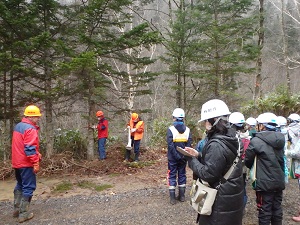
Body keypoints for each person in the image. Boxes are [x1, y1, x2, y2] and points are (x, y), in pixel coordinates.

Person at [184, 99, 244, 225]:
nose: (205, 123)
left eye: (206, 120)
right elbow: (223, 161)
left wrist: (191, 159)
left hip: (219, 202)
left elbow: (208, 174)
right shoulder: (232, 137)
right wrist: (199, 155)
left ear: (214, 120)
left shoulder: (216, 144)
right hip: (231, 196)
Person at [245, 112, 285, 225]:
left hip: (264, 182)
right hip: (279, 179)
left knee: (264, 210)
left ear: (262, 126)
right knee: (277, 207)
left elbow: (248, 160)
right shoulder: (281, 139)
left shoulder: (256, 141)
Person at [11, 105, 42, 223]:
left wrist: (36, 153)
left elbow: (20, 145)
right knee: (29, 187)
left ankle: (16, 209)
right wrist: (35, 162)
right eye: (36, 117)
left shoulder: (18, 126)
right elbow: (29, 148)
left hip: (17, 162)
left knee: (20, 184)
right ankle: (23, 214)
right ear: (31, 116)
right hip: (26, 163)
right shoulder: (30, 129)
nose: (38, 119)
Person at [167, 108, 192, 204]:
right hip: (183, 157)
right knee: (182, 175)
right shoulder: (188, 130)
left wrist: (177, 156)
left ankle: (172, 198)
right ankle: (182, 196)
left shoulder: (171, 129)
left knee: (172, 175)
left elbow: (170, 145)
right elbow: (188, 146)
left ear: (174, 118)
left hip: (172, 158)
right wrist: (183, 156)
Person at [229, 112, 250, 212]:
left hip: (233, 169)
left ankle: (235, 210)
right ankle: (241, 209)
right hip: (244, 168)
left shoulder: (231, 138)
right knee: (243, 189)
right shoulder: (248, 137)